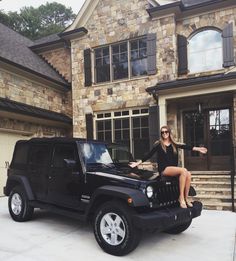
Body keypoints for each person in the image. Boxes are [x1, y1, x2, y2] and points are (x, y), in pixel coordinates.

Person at [129, 125, 207, 208]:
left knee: (188, 174)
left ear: (169, 133)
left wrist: (198, 149)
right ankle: (181, 197)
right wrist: (137, 163)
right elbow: (149, 155)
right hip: (164, 170)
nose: (164, 134)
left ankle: (186, 198)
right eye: (162, 132)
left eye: (166, 132)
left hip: (173, 170)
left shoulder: (174, 144)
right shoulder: (159, 144)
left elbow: (186, 147)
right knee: (184, 170)